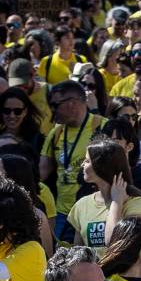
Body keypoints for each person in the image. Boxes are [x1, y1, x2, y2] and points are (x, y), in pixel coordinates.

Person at [40, 79, 106, 236]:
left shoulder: (102, 127)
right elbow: (40, 173)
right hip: (63, 213)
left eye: (55, 105)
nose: (52, 111)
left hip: (96, 210)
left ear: (72, 103)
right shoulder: (56, 133)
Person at [67, 140, 141, 254]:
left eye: (87, 161)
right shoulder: (81, 204)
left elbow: (113, 244)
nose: (82, 165)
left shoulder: (137, 204)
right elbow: (78, 254)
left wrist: (116, 203)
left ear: (102, 166)